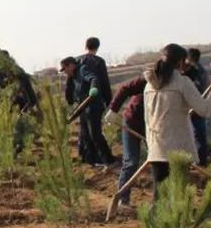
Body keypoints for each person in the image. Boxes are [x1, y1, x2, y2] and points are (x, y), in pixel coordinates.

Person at [143, 43, 211, 198]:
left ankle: (155, 222)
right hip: (178, 150)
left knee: (159, 198)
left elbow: (147, 118)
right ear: (180, 62)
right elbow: (204, 110)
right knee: (178, 199)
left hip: (156, 148)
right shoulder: (182, 83)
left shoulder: (149, 85)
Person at [61, 37, 116, 167]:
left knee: (94, 134)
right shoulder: (77, 68)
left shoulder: (81, 67)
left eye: (65, 69)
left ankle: (108, 160)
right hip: (83, 105)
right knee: (85, 134)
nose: (65, 73)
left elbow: (94, 78)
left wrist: (94, 90)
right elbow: (70, 86)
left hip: (93, 104)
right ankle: (90, 160)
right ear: (97, 47)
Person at [105, 74, 147, 211]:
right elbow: (124, 88)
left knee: (158, 162)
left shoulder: (177, 81)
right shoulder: (149, 78)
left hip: (153, 125)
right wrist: (113, 109)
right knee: (131, 161)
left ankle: (160, 202)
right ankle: (122, 200)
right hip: (132, 121)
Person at [184, 48, 211, 166]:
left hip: (193, 107)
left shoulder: (194, 72)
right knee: (199, 136)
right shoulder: (202, 71)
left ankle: (200, 163)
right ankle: (203, 160)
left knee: (196, 136)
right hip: (199, 106)